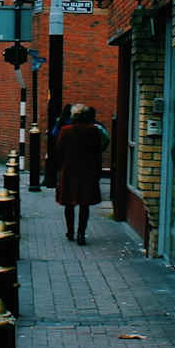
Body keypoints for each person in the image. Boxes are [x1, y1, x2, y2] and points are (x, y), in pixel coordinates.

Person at [53, 104, 104, 245]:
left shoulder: (65, 130)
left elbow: (59, 151)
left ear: (73, 115)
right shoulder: (93, 131)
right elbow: (98, 153)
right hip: (88, 172)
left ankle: (70, 232)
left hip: (69, 171)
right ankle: (81, 234)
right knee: (84, 204)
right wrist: (97, 172)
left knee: (69, 204)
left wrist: (60, 169)